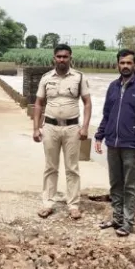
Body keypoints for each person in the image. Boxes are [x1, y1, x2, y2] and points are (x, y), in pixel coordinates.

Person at [93, 48, 135, 236]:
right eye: (122, 63)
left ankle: (128, 223)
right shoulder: (113, 87)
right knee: (115, 183)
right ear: (117, 65)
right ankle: (117, 218)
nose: (125, 66)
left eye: (129, 63)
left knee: (130, 185)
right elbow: (107, 115)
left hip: (132, 144)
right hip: (113, 143)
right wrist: (99, 136)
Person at [33, 44, 92, 220]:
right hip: (50, 127)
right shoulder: (46, 78)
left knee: (72, 168)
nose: (62, 60)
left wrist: (85, 127)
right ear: (54, 58)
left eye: (65, 57)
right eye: (59, 56)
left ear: (70, 58)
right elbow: (38, 103)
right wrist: (36, 128)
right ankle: (48, 203)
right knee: (50, 167)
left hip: (72, 128)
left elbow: (87, 103)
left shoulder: (79, 77)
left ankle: (73, 205)